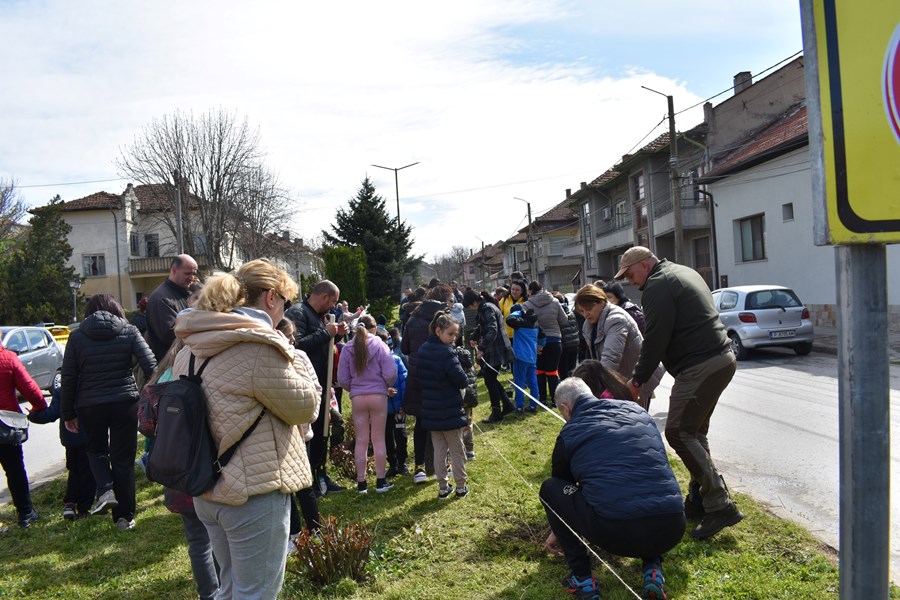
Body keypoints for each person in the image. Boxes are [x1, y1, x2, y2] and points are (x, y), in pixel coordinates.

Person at [172, 259, 320, 599]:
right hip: (253, 493)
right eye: (285, 301)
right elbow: (306, 408)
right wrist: (293, 356)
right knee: (256, 593)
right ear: (271, 297)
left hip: (207, 487)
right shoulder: (258, 348)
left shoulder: (191, 347)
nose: (285, 311)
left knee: (228, 588)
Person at [616, 246, 742, 539]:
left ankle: (720, 505)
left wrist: (637, 381)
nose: (631, 282)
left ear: (644, 265)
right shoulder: (682, 271)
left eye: (630, 275)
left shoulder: (657, 285)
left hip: (701, 365)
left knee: (677, 432)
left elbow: (655, 339)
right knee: (694, 432)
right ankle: (699, 499)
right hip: (720, 359)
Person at [540, 376, 685, 600]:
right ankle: (653, 569)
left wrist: (558, 530)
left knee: (549, 488)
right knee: (646, 487)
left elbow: (561, 489)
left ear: (565, 408)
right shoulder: (638, 411)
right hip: (672, 526)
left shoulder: (570, 432)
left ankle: (582, 578)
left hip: (615, 532)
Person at [61, 293, 157, 531]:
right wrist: (154, 396)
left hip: (89, 404)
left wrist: (67, 413)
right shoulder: (129, 331)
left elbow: (69, 377)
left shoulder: (77, 336)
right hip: (125, 401)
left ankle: (105, 490)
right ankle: (125, 517)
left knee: (95, 451)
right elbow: (151, 365)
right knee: (123, 459)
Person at [145, 336, 220, 600]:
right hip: (204, 468)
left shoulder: (162, 378)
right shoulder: (208, 371)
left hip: (176, 470)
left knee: (197, 541)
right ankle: (223, 590)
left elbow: (147, 426)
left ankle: (208, 594)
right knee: (217, 539)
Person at [285, 280, 349, 495]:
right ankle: (309, 482)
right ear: (324, 297)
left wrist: (336, 335)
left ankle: (321, 475)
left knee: (323, 431)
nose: (333, 307)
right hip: (305, 386)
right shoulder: (298, 313)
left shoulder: (320, 317)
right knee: (310, 435)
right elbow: (295, 346)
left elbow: (321, 345)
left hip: (321, 384)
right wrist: (326, 333)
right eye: (332, 302)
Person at [573, 284, 663, 409]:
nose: (586, 314)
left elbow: (611, 357)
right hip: (618, 380)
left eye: (589, 308)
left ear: (601, 301)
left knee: (635, 417)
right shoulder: (589, 324)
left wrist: (599, 387)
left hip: (638, 379)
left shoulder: (616, 319)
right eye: (582, 311)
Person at [337, 315, 397, 495]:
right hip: (378, 396)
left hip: (358, 397)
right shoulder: (380, 345)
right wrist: (385, 384)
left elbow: (342, 379)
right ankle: (380, 481)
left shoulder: (348, 348)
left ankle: (361, 483)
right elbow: (390, 372)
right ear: (373, 328)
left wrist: (354, 388)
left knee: (361, 440)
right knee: (378, 439)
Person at [402, 284, 455, 483]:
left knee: (420, 423)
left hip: (417, 374)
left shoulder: (412, 318)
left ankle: (419, 467)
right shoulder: (443, 320)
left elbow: (404, 348)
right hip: (439, 373)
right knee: (442, 420)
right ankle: (445, 464)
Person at [416, 312, 469, 499]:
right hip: (450, 408)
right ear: (438, 331)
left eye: (455, 334)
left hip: (431, 409)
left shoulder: (422, 350)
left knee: (439, 450)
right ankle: (461, 485)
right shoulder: (447, 353)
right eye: (450, 334)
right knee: (456, 450)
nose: (454, 338)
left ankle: (443, 486)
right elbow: (461, 380)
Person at [27, 375, 95, 521]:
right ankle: (83, 508)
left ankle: (70, 503)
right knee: (88, 473)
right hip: (90, 438)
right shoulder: (91, 388)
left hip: (70, 440)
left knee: (74, 470)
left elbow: (50, 415)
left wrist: (33, 415)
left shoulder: (61, 392)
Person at [0, 340, 48, 528]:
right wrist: (40, 406)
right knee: (15, 470)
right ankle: (26, 513)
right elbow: (29, 387)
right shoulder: (8, 358)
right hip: (6, 425)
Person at [464, 289, 515, 423]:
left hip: (496, 348)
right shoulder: (486, 306)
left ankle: (497, 411)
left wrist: (481, 347)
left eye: (469, 306)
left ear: (474, 302)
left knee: (490, 379)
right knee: (490, 378)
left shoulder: (487, 308)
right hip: (495, 347)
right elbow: (482, 326)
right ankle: (507, 405)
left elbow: (492, 329)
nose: (470, 310)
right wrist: (473, 336)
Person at [523, 281, 569, 408]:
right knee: (552, 371)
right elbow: (564, 320)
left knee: (539, 371)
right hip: (555, 340)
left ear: (530, 291)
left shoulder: (526, 305)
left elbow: (525, 324)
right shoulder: (554, 301)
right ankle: (555, 400)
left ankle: (542, 399)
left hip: (537, 342)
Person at [145, 254, 198, 361]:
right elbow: (171, 336)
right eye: (187, 273)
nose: (192, 278)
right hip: (170, 364)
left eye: (194, 273)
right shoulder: (161, 298)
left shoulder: (187, 292)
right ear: (174, 270)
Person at [376, 329, 409, 477]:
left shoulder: (396, 360)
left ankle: (402, 462)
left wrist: (403, 404)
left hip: (398, 407)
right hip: (382, 409)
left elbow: (404, 381)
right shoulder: (373, 364)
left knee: (400, 434)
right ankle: (392, 463)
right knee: (386, 436)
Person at [506, 304, 539, 413]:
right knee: (533, 382)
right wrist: (541, 346)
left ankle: (519, 406)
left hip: (520, 356)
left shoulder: (519, 323)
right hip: (532, 356)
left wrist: (519, 312)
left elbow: (509, 319)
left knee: (519, 382)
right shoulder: (535, 324)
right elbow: (542, 337)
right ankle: (534, 405)